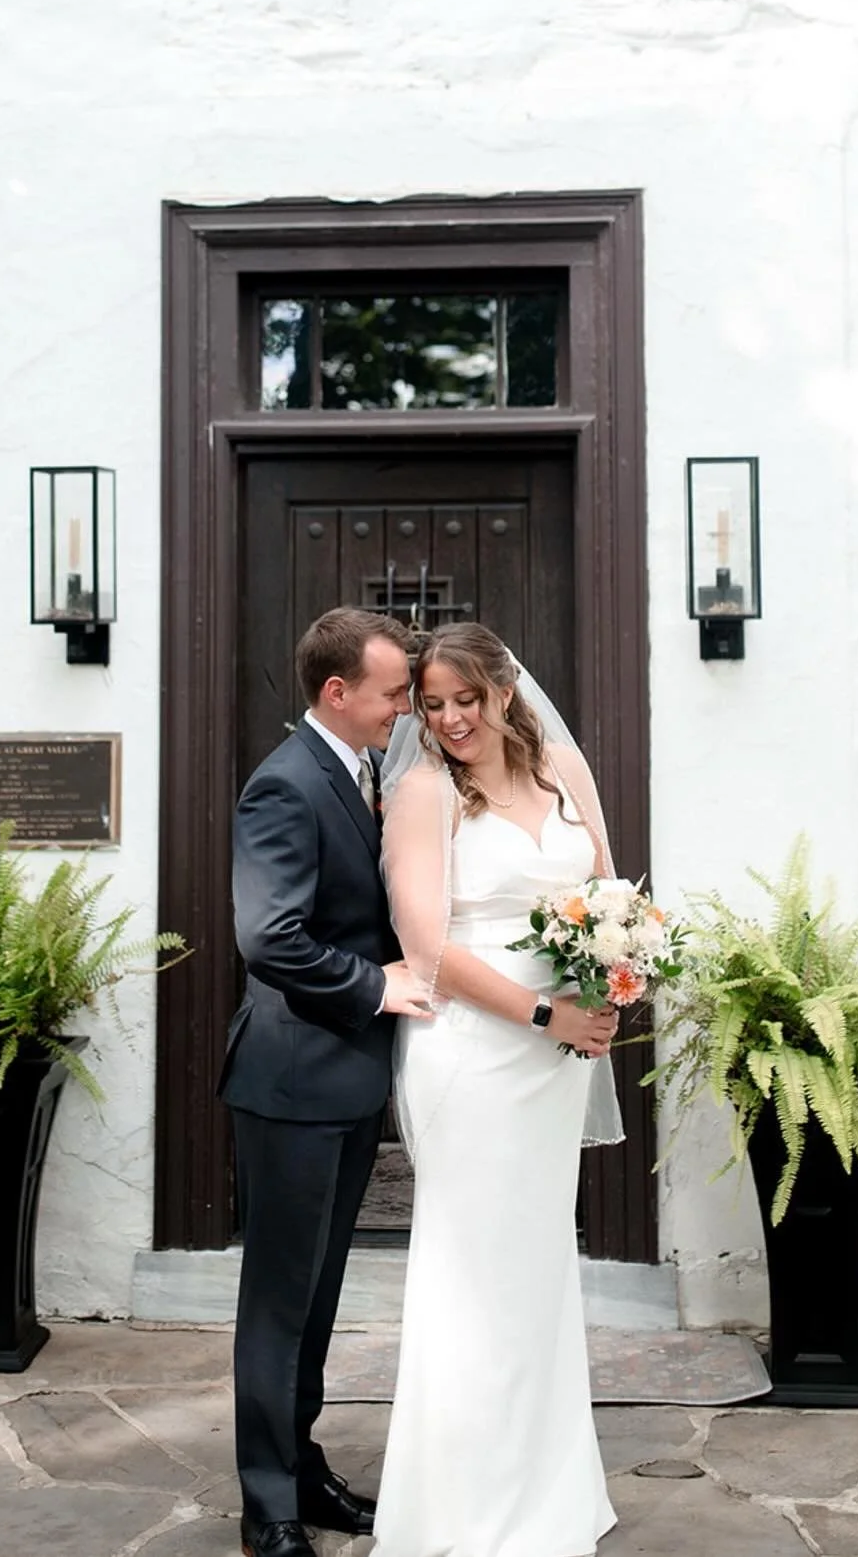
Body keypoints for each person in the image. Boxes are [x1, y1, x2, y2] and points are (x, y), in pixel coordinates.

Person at [372, 622, 623, 1557]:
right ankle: (460, 1513)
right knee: (471, 1277)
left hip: (552, 1064)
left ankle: (549, 1491)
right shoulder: (425, 790)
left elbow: (608, 892)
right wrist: (542, 1014)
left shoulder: (563, 768)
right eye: (430, 705)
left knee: (537, 1272)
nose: (448, 719)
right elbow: (428, 947)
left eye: (463, 699)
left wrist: (609, 980)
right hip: (475, 1055)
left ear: (503, 690)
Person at [221, 607, 435, 1557]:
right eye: (393, 692)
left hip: (342, 1082)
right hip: (292, 1082)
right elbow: (269, 937)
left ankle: (300, 1469)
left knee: (317, 1296)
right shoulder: (284, 784)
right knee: (278, 1300)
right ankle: (266, 1503)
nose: (406, 708)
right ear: (337, 692)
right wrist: (374, 983)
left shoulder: (359, 771)